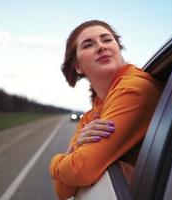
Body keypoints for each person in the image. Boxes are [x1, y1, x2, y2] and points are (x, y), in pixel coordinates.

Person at [49, 20, 162, 199]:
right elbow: (63, 191)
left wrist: (55, 162)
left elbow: (81, 170)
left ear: (118, 49)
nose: (101, 47)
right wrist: (72, 155)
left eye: (107, 40)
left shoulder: (133, 89)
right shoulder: (90, 116)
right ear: (78, 66)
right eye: (88, 44)